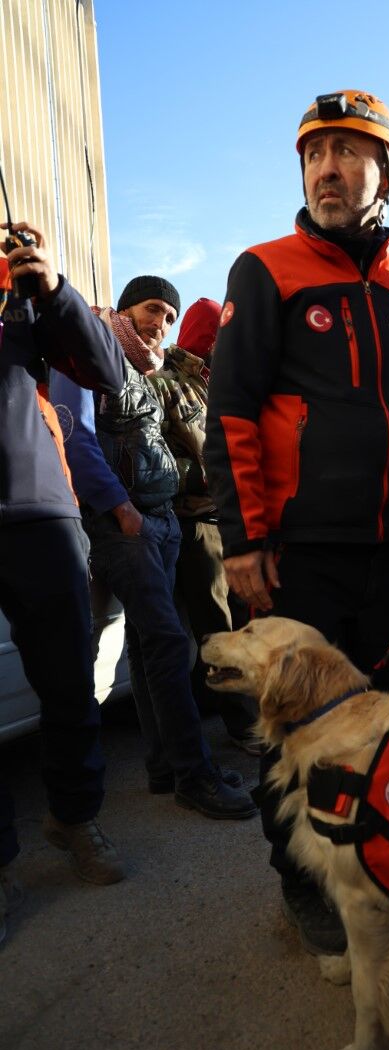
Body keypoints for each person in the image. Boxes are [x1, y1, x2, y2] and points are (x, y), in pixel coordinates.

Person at [206, 89, 389, 955]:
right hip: (295, 555)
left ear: (387, 172)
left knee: (375, 724)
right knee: (294, 733)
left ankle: (373, 865)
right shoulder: (264, 268)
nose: (327, 169)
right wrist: (243, 539)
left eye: (349, 152)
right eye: (315, 154)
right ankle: (304, 885)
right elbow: (230, 409)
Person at [49, 277, 256, 820]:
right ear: (124, 308)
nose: (159, 322)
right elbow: (77, 438)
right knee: (167, 642)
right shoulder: (90, 353)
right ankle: (196, 773)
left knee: (147, 648)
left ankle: (165, 767)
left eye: (168, 314)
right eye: (150, 309)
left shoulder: (148, 369)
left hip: (158, 522)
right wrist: (122, 510)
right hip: (126, 526)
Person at [0, 220, 127, 944]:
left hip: (40, 514)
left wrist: (53, 290)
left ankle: (75, 818)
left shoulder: (20, 294)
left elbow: (107, 372)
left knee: (69, 686)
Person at [148, 298, 259, 755]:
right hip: (195, 523)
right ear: (208, 337)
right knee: (219, 630)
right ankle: (244, 726)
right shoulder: (165, 384)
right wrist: (219, 476)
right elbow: (157, 460)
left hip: (231, 521)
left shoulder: (218, 385)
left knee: (243, 622)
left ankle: (229, 710)